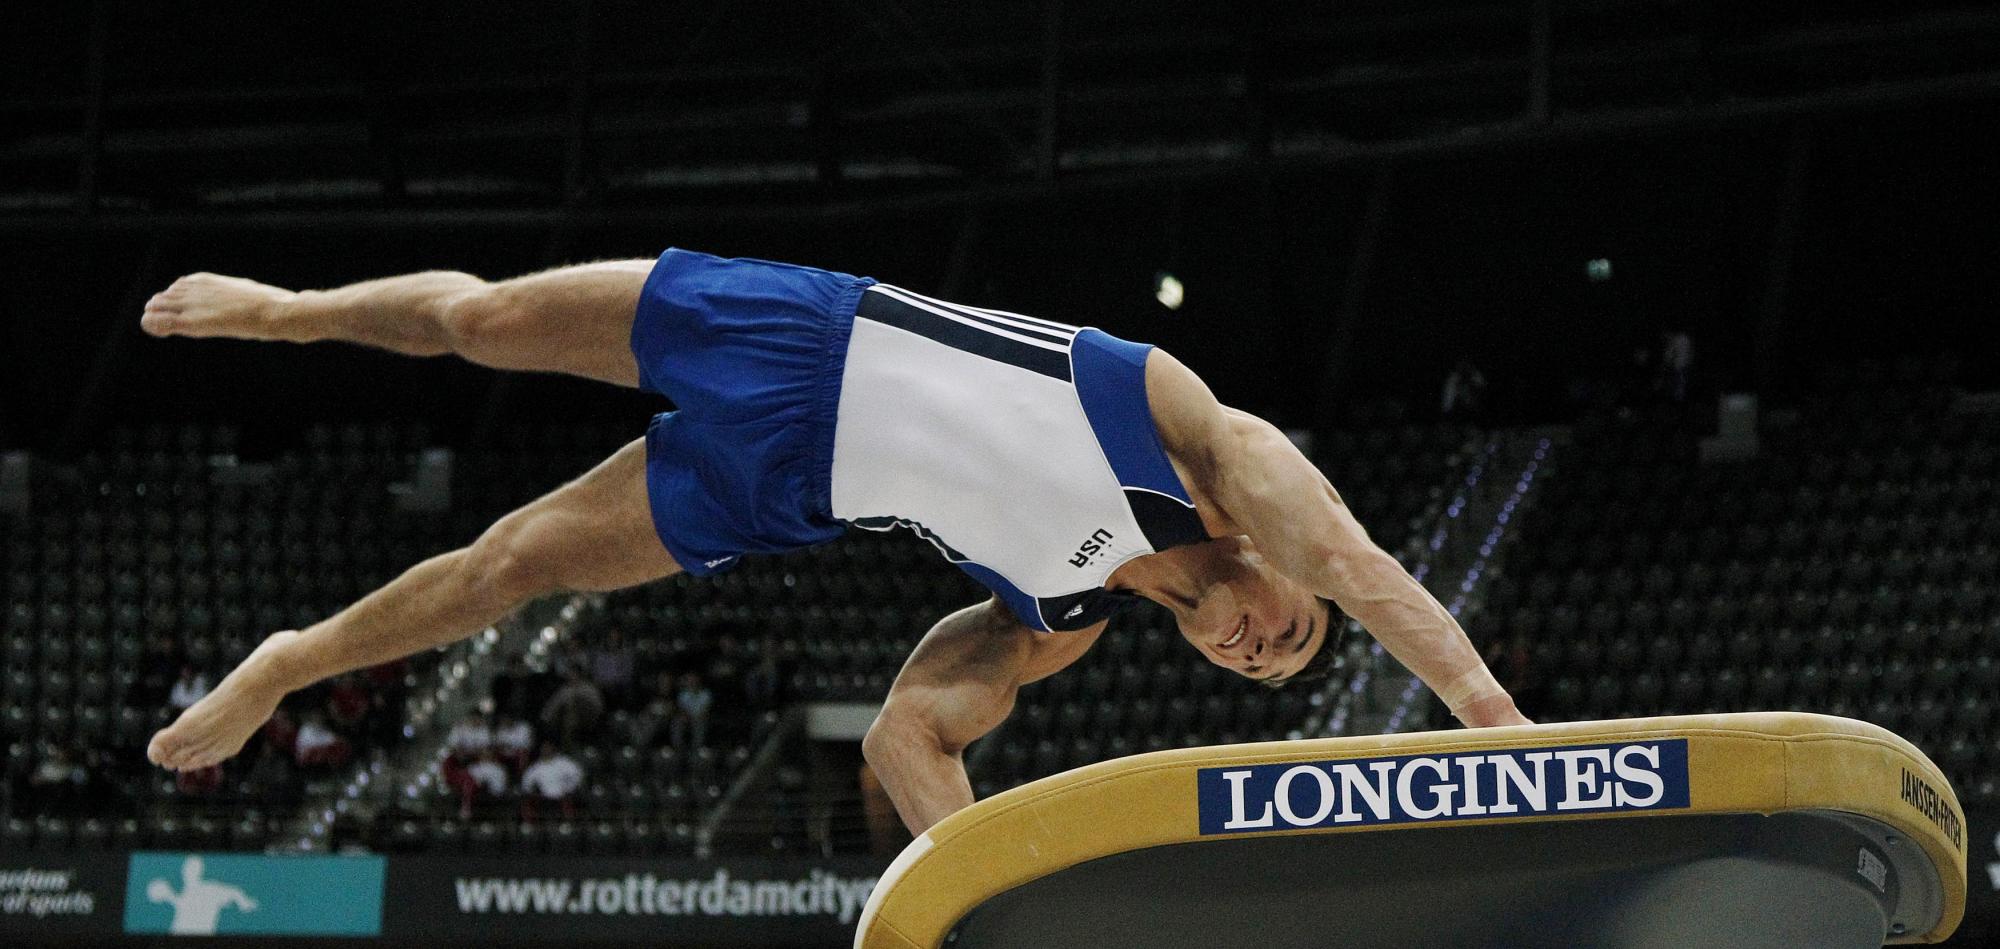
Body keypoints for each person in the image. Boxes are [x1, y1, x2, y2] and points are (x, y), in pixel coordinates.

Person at [140, 249, 1529, 836]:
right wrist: (1487, 716)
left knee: (512, 566)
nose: (1259, 638)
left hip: (790, 488)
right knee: (487, 322)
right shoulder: (1209, 448)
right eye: (1288, 625)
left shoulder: (1054, 622)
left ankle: (288, 663)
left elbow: (904, 739)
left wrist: (983, 890)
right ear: (1277, 569)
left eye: (1263, 668)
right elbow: (1357, 562)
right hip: (813, 333)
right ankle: (292, 307)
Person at [517, 742, 583, 820]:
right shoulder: (535, 767)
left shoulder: (564, 762)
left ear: (553, 750)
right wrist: (535, 791)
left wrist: (569, 788)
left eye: (548, 749)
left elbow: (578, 775)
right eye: (544, 749)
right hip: (543, 800)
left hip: (564, 797)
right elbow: (526, 784)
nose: (546, 751)